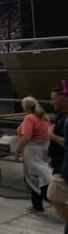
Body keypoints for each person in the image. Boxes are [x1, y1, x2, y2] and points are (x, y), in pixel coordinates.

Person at [15, 96, 52, 214]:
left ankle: (57, 203)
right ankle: (37, 206)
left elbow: (26, 137)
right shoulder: (45, 117)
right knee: (40, 177)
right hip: (45, 149)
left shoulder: (29, 118)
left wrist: (18, 150)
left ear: (25, 107)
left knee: (36, 178)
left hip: (33, 150)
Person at [48, 85, 68, 228]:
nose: (52, 102)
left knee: (53, 196)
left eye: (54, 99)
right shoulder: (61, 116)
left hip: (64, 167)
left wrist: (51, 135)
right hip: (60, 163)